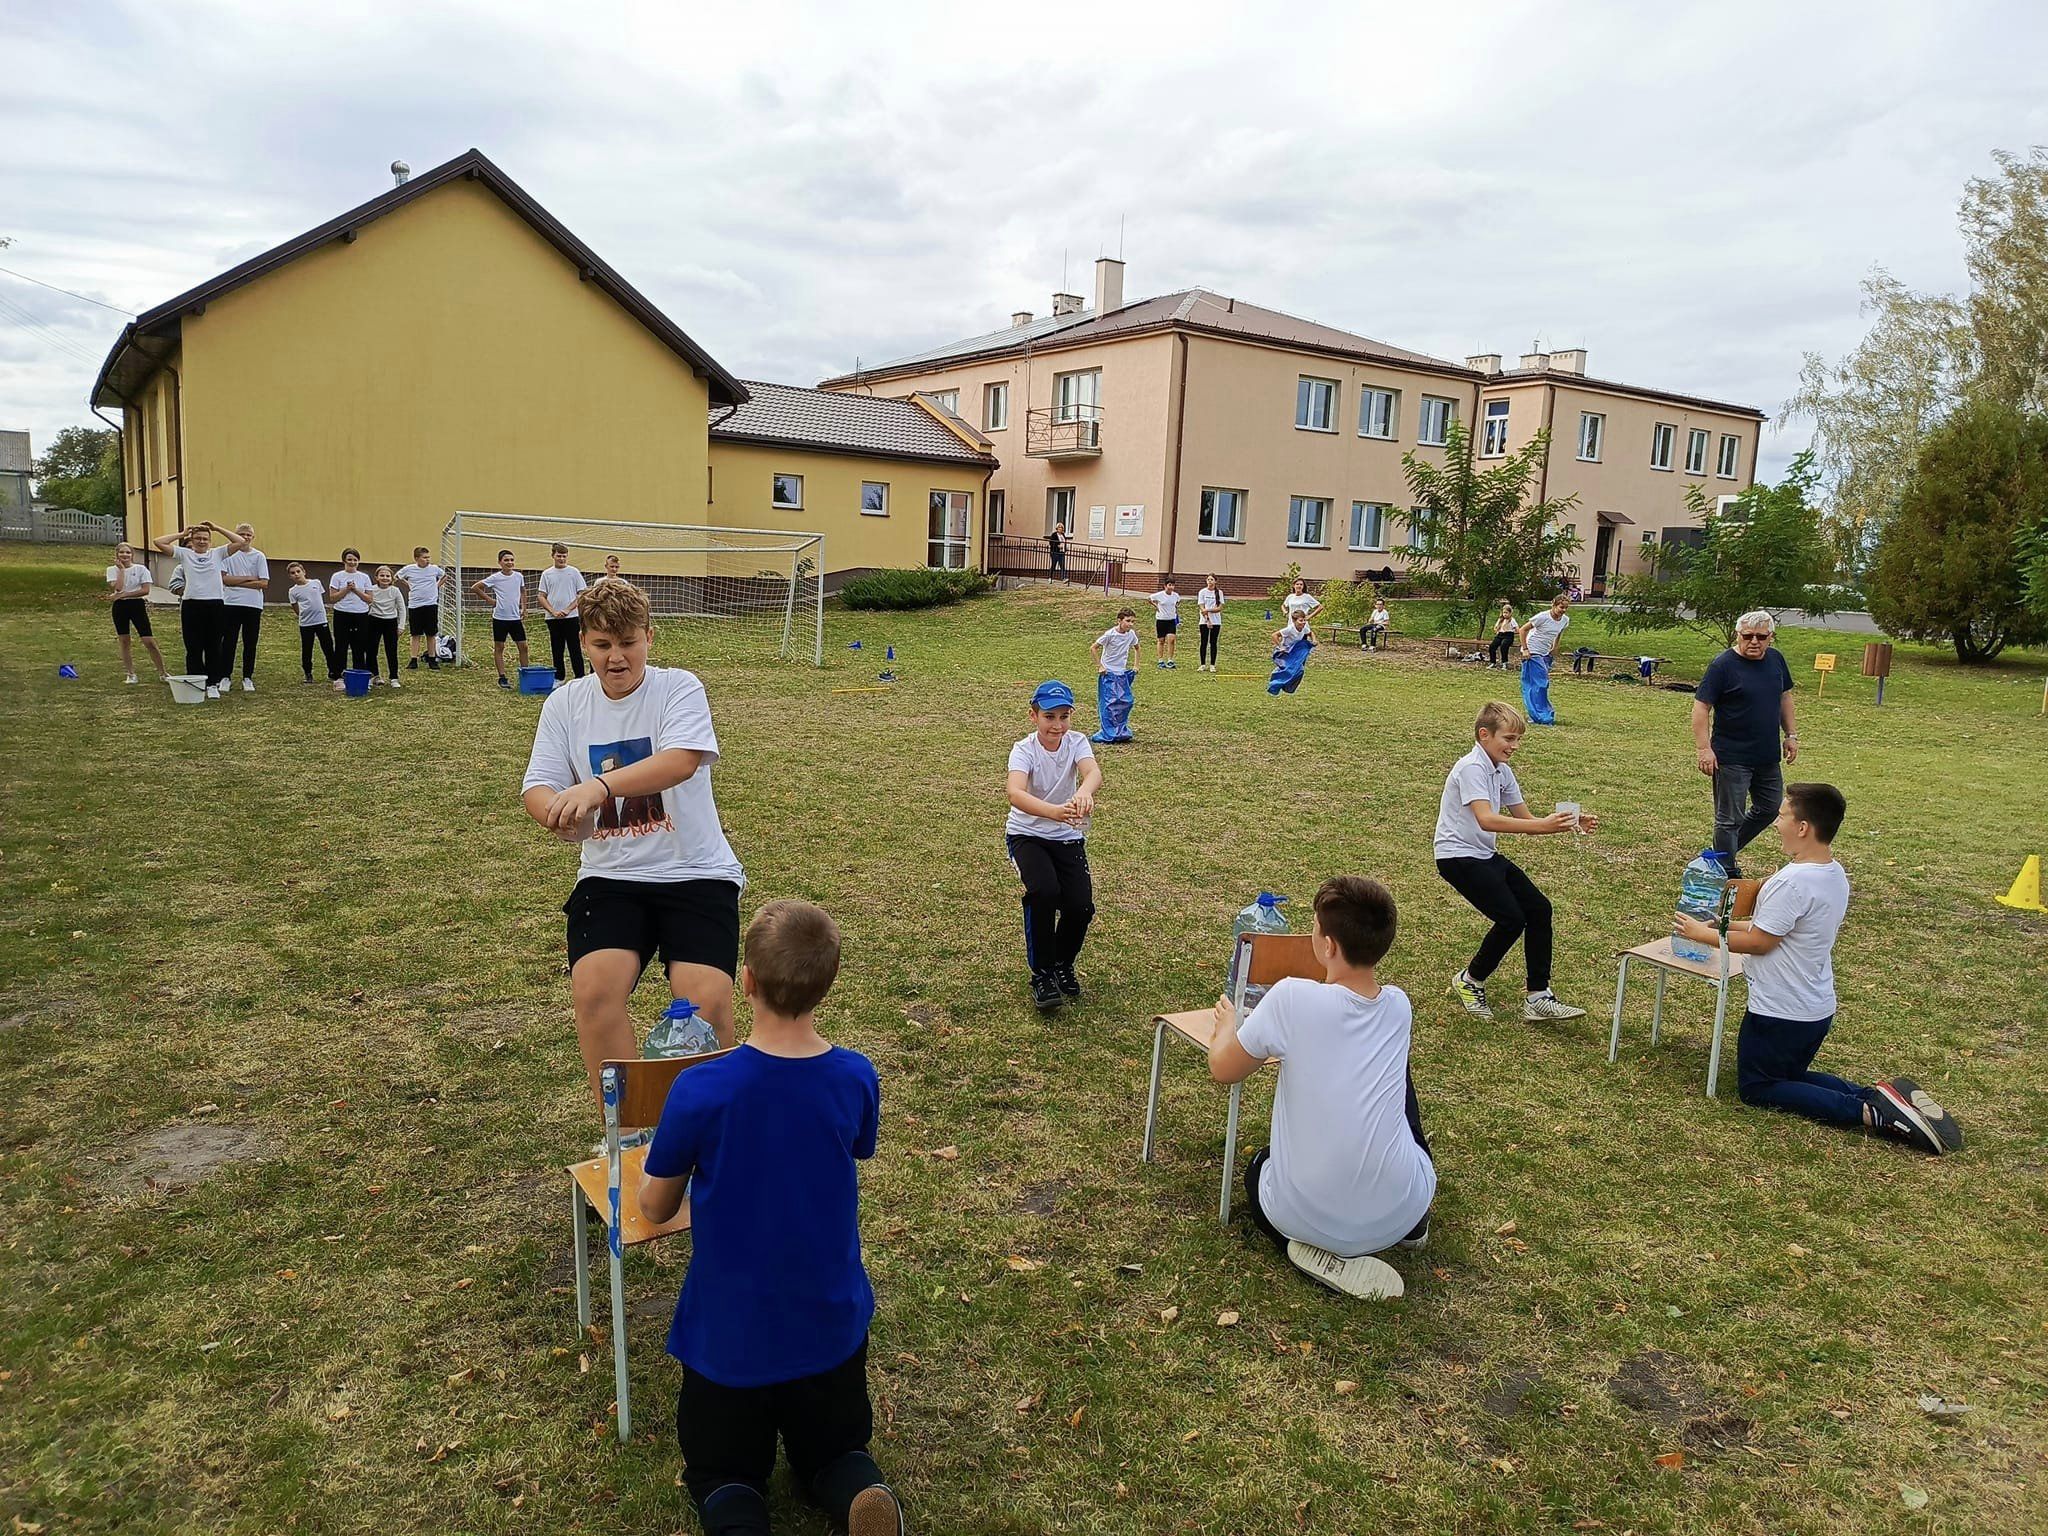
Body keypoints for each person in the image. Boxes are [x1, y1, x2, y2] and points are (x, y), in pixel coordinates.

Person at [639, 899, 905, 1536]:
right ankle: (857, 1487)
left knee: (724, 1472)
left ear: (747, 981)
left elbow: (654, 1206)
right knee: (835, 1450)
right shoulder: (855, 1076)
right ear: (830, 983)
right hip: (830, 1319)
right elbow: (856, 1145)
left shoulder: (703, 1087)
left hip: (731, 1331)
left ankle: (737, 1517)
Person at [520, 576, 744, 1132]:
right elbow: (538, 785)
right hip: (611, 877)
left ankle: (712, 1138)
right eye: (601, 645)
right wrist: (556, 813)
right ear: (582, 641)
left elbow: (682, 760)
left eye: (627, 643)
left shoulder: (678, 688)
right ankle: (629, 1137)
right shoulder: (565, 703)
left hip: (695, 873)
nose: (616, 658)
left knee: (707, 1002)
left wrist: (598, 787)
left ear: (649, 636)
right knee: (594, 989)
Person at [1674, 783, 1962, 1155]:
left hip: (1780, 1012)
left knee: (1757, 1087)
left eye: (1781, 816)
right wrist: (1723, 926)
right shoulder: (1833, 874)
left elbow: (1763, 941)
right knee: (1786, 1078)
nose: (1775, 824)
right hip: (1814, 1009)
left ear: (1804, 827)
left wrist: (1703, 935)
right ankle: (1877, 1096)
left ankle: (1871, 1113)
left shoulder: (1791, 881)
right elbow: (1775, 927)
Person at [1206, 875, 1433, 1300]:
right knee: (1397, 1075)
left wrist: (1225, 1028)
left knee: (1259, 1169)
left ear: (1328, 945)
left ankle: (1307, 1245)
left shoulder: (1291, 998)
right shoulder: (1399, 1006)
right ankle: (1412, 1225)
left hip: (1301, 1213)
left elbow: (1224, 1069)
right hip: (1402, 1209)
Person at [1436, 700, 1596, 1022]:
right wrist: (1542, 825)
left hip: (1483, 855)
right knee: (1511, 918)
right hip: (1456, 856)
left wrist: (1566, 824)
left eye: (1518, 740)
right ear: (1485, 735)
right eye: (1509, 739)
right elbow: (1487, 819)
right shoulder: (1471, 768)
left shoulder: (1502, 772)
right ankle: (1470, 981)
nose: (1515, 746)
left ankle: (1538, 996)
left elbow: (1525, 820)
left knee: (1539, 909)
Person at [1005, 680, 1102, 1012]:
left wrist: (1085, 791)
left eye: (1064, 716)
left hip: (1067, 838)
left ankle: (1063, 964)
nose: (1057, 725)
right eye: (1049, 716)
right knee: (1044, 892)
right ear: (1033, 717)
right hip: (1027, 836)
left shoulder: (1076, 742)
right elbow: (1016, 793)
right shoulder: (1024, 749)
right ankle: (1043, 974)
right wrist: (1055, 812)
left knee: (1080, 907)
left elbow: (1093, 773)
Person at [1692, 610, 1798, 878]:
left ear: (1770, 638)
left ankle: (1719, 853)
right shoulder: (1723, 665)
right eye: (1747, 636)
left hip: (1766, 755)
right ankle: (1726, 870)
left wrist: (1791, 735)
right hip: (1731, 756)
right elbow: (1701, 706)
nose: (1754, 642)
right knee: (1729, 818)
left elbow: (1785, 697)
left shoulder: (1776, 660)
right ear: (1738, 636)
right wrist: (1704, 748)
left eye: (1761, 637)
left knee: (1770, 807)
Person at [152, 520, 250, 699]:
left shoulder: (218, 554)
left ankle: (213, 683)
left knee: (213, 646)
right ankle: (196, 682)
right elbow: (158, 542)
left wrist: (217, 527)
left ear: (210, 541)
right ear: (192, 540)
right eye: (198, 538)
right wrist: (182, 534)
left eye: (205, 538)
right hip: (191, 605)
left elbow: (240, 542)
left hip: (215, 605)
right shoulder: (185, 554)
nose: (202, 541)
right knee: (193, 647)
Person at [103, 542, 167, 684]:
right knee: (124, 640)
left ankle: (163, 672)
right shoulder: (112, 570)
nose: (125, 555)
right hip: (120, 607)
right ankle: (131, 674)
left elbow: (145, 590)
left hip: (137, 605)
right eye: (122, 552)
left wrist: (126, 594)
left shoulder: (140, 569)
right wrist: (121, 571)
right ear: (117, 554)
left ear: (132, 554)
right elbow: (117, 588)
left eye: (128, 553)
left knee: (148, 641)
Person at [218, 522, 270, 693]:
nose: (245, 538)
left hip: (253, 605)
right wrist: (248, 578)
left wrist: (237, 581)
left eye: (248, 535)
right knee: (229, 642)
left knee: (250, 642)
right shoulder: (227, 555)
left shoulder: (259, 556)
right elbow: (225, 580)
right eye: (242, 534)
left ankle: (247, 677)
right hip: (230, 603)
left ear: (252, 537)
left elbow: (263, 583)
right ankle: (225, 676)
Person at [474, 549, 531, 688]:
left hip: (515, 618)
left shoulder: (518, 576)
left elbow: (523, 591)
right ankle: (502, 676)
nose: (509, 562)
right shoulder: (495, 577)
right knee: (500, 646)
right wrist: (490, 600)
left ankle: (525, 674)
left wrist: (524, 608)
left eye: (512, 560)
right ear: (500, 562)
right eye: (506, 560)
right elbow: (476, 587)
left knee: (523, 646)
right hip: (500, 618)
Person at [1516, 594, 1571, 726]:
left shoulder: (1565, 620)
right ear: (1554, 605)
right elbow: (1523, 630)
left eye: (1566, 608)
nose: (1563, 610)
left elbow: (1558, 633)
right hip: (1532, 650)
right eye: (1561, 607)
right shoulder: (1542, 617)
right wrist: (1525, 649)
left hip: (1545, 652)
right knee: (1541, 682)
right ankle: (1540, 715)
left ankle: (1535, 714)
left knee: (1537, 684)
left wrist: (1555, 646)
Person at [286, 562, 342, 688]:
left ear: (303, 572)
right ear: (290, 576)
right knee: (307, 649)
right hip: (306, 624)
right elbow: (295, 606)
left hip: (321, 621)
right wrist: (302, 615)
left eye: (298, 572)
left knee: (328, 646)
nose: (296, 574)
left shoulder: (316, 583)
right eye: (293, 573)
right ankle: (308, 673)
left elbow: (319, 598)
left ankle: (333, 671)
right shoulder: (293, 591)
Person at [538, 542, 589, 681]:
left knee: (574, 648)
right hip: (553, 618)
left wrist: (568, 609)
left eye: (564, 556)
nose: (561, 559)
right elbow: (541, 596)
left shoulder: (574, 572)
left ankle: (580, 677)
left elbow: (581, 594)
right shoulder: (547, 574)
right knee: (557, 648)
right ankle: (559, 677)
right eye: (559, 556)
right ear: (553, 556)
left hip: (571, 617)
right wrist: (553, 611)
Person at [1090, 608, 1140, 744]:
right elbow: (1093, 648)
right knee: (1109, 703)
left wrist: (1136, 665)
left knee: (1125, 702)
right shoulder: (1110, 635)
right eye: (1128, 621)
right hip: (1109, 673)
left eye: (1133, 622)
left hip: (1122, 673)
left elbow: (1137, 647)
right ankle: (1108, 732)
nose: (1131, 624)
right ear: (1119, 621)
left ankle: (1120, 730)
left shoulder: (1131, 635)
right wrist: (1100, 666)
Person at [396, 547, 446, 670]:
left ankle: (432, 658)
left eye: (428, 557)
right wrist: (408, 584)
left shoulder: (434, 569)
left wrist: (437, 585)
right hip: (415, 605)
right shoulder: (410, 569)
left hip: (431, 604)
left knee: (431, 633)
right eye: (424, 557)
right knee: (415, 633)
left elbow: (444, 576)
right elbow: (397, 577)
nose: (427, 560)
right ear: (417, 558)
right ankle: (413, 659)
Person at [328, 549, 374, 674]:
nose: (352, 562)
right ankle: (339, 674)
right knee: (341, 645)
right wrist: (346, 589)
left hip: (360, 615)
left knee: (359, 646)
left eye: (355, 560)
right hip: (342, 613)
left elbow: (369, 599)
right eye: (349, 559)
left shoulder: (364, 577)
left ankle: (359, 673)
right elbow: (332, 598)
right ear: (344, 561)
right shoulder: (337, 576)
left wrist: (355, 590)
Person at [365, 566, 406, 688]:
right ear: (377, 577)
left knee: (391, 650)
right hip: (373, 621)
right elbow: (366, 604)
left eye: (387, 576)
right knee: (371, 650)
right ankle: (374, 676)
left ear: (391, 578)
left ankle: (394, 677)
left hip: (390, 622)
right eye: (382, 575)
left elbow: (401, 609)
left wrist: (401, 626)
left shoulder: (395, 591)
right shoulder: (371, 589)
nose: (385, 578)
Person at [1267, 608, 1315, 695]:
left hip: (1294, 652)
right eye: (1301, 621)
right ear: (1294, 621)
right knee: (1288, 669)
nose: (1303, 622)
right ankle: (1274, 684)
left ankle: (1288, 688)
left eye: (1304, 620)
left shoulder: (1304, 628)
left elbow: (1311, 633)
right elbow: (1274, 635)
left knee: (1300, 671)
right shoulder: (1289, 629)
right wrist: (1280, 646)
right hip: (1284, 653)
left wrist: (1314, 640)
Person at [1147, 579, 1188, 669]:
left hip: (1171, 620)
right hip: (1161, 620)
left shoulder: (1175, 595)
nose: (1171, 587)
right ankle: (1160, 660)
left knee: (1171, 639)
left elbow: (1178, 602)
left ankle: (1170, 660)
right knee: (1161, 640)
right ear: (1165, 586)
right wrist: (1156, 606)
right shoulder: (1159, 595)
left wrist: (1175, 610)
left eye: (1173, 585)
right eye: (1169, 585)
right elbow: (1150, 599)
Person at [1195, 575, 1224, 672]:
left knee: (1213, 642)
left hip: (1216, 621)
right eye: (1208, 579)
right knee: (1204, 642)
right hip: (1204, 621)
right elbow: (1202, 608)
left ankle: (1212, 665)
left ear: (1215, 581)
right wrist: (1207, 620)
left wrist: (1209, 610)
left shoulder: (1219, 593)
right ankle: (1202, 664)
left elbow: (1219, 608)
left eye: (1212, 580)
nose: (1210, 581)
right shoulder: (1202, 592)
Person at [1488, 602, 1517, 669]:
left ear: (1510, 613)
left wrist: (1510, 630)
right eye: (1504, 613)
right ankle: (1493, 662)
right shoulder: (1500, 620)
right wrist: (1497, 629)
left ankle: (1504, 663)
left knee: (1503, 646)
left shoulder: (1512, 620)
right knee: (1492, 646)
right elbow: (1495, 628)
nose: (1505, 614)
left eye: (1506, 613)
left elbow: (1517, 630)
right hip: (1500, 635)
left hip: (1508, 635)